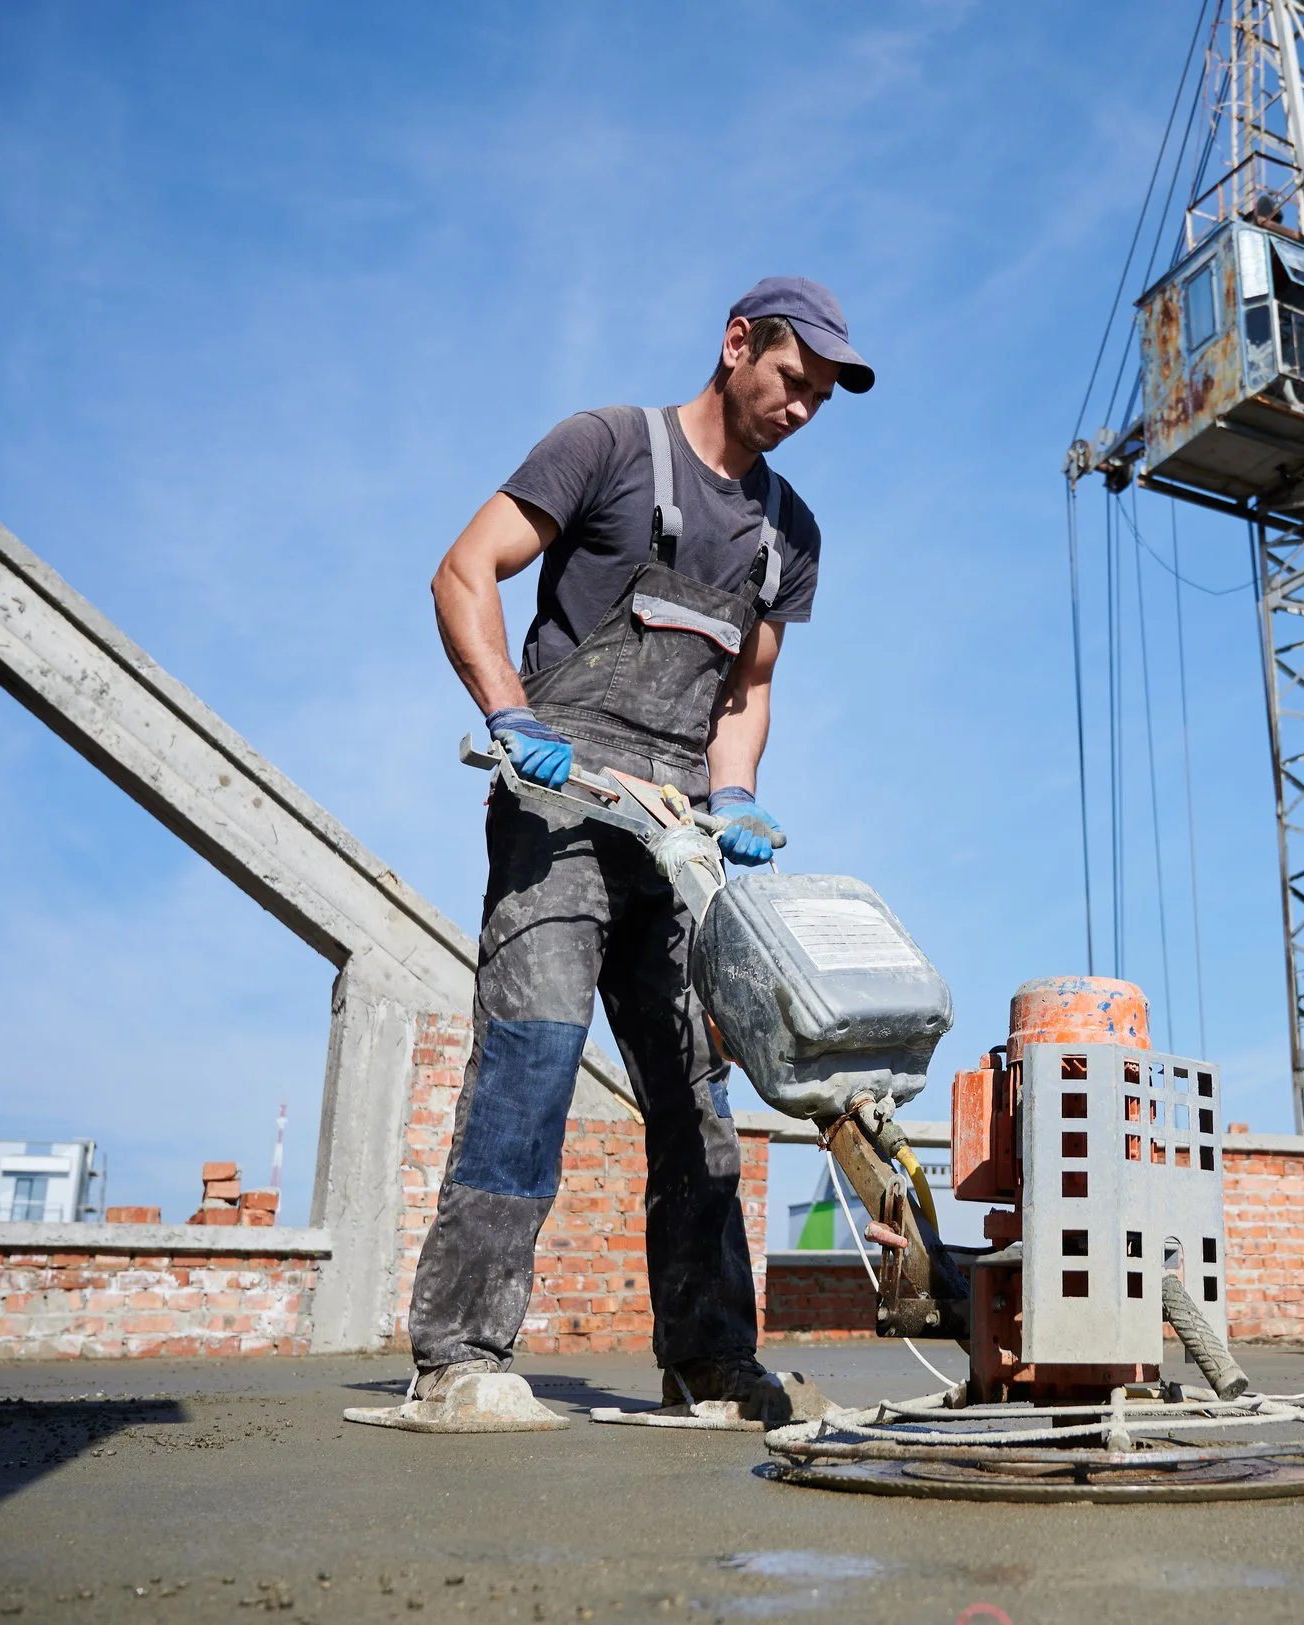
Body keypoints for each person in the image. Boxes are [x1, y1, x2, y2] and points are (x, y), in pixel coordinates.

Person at [411, 276, 869, 1425]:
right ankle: (459, 1359)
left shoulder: (787, 533)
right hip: (559, 808)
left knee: (696, 1093)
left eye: (821, 395)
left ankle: (710, 1363)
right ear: (734, 345)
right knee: (534, 1055)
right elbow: (464, 569)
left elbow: (745, 689)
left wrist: (735, 797)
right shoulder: (607, 446)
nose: (801, 406)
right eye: (789, 378)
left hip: (675, 843)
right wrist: (512, 716)